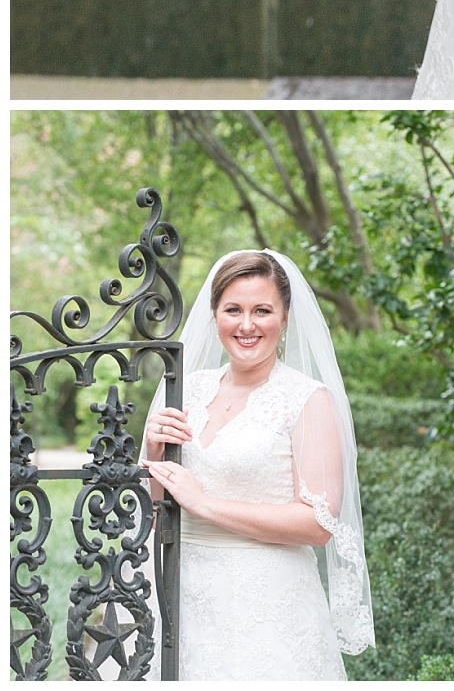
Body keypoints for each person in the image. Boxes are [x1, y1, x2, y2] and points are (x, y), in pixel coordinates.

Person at [142, 249, 372, 681]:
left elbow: (318, 524)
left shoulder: (306, 399)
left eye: (262, 310)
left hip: (266, 604)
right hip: (178, 592)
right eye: (233, 310)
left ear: (284, 318)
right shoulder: (186, 390)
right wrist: (154, 452)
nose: (246, 325)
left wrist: (206, 504)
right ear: (215, 316)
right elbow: (156, 512)